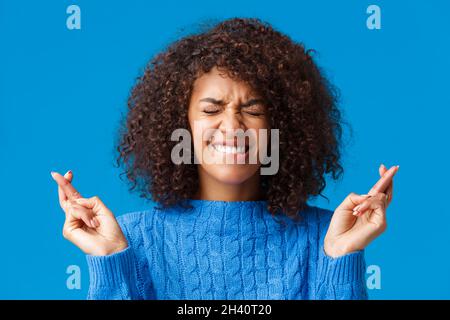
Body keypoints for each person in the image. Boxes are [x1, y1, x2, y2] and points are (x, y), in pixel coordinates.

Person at [51, 18, 399, 300]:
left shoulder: (325, 237)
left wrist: (342, 260)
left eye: (253, 110)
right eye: (211, 109)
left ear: (281, 127)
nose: (233, 126)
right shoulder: (131, 239)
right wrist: (110, 262)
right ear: (179, 125)